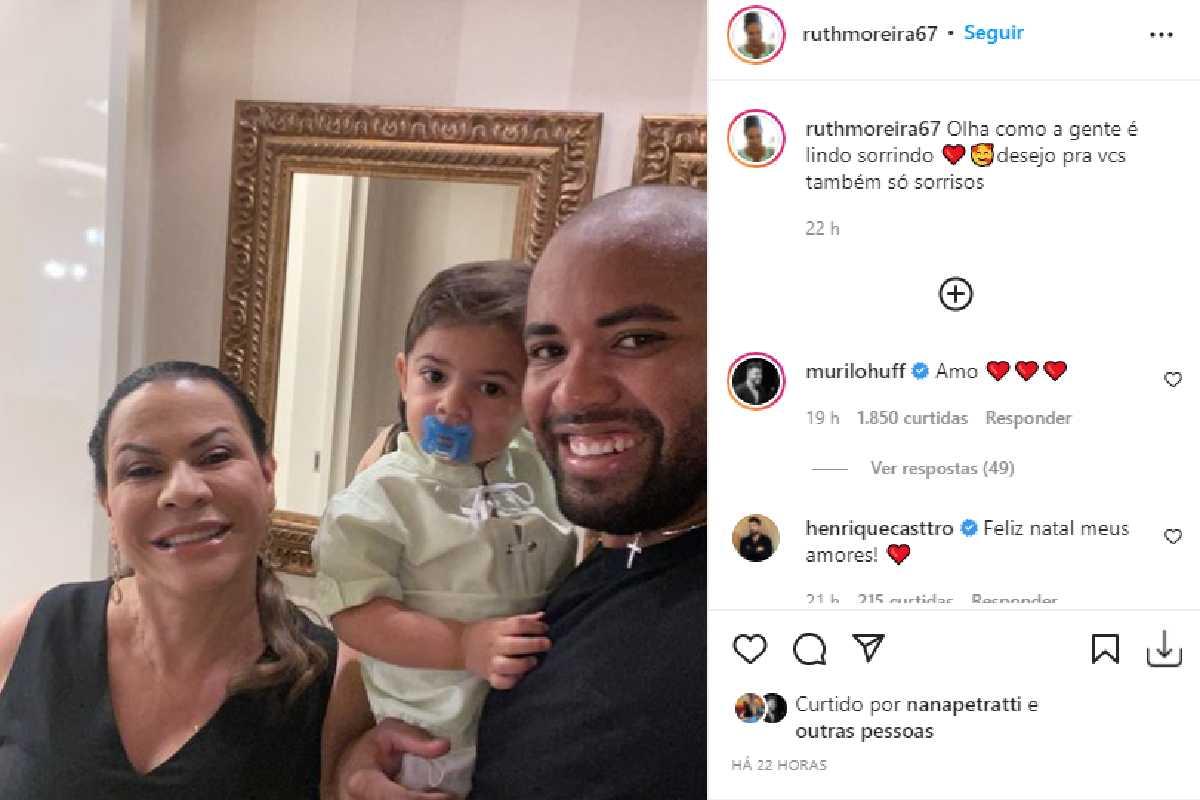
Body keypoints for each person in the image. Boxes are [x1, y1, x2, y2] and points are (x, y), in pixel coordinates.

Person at [337, 185, 707, 799]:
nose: (574, 391)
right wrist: (350, 764)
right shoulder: (620, 550)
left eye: (636, 339)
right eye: (549, 350)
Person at [0, 361, 338, 798]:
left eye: (215, 457)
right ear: (108, 507)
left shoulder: (328, 687)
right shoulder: (37, 632)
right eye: (141, 470)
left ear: (267, 476)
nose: (182, 490)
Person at [314, 262, 578, 798]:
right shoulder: (382, 496)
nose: (452, 406)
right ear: (403, 374)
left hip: (526, 718)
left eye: (490, 387)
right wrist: (463, 644)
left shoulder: (539, 471)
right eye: (434, 377)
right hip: (430, 730)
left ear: (529, 398)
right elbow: (356, 615)